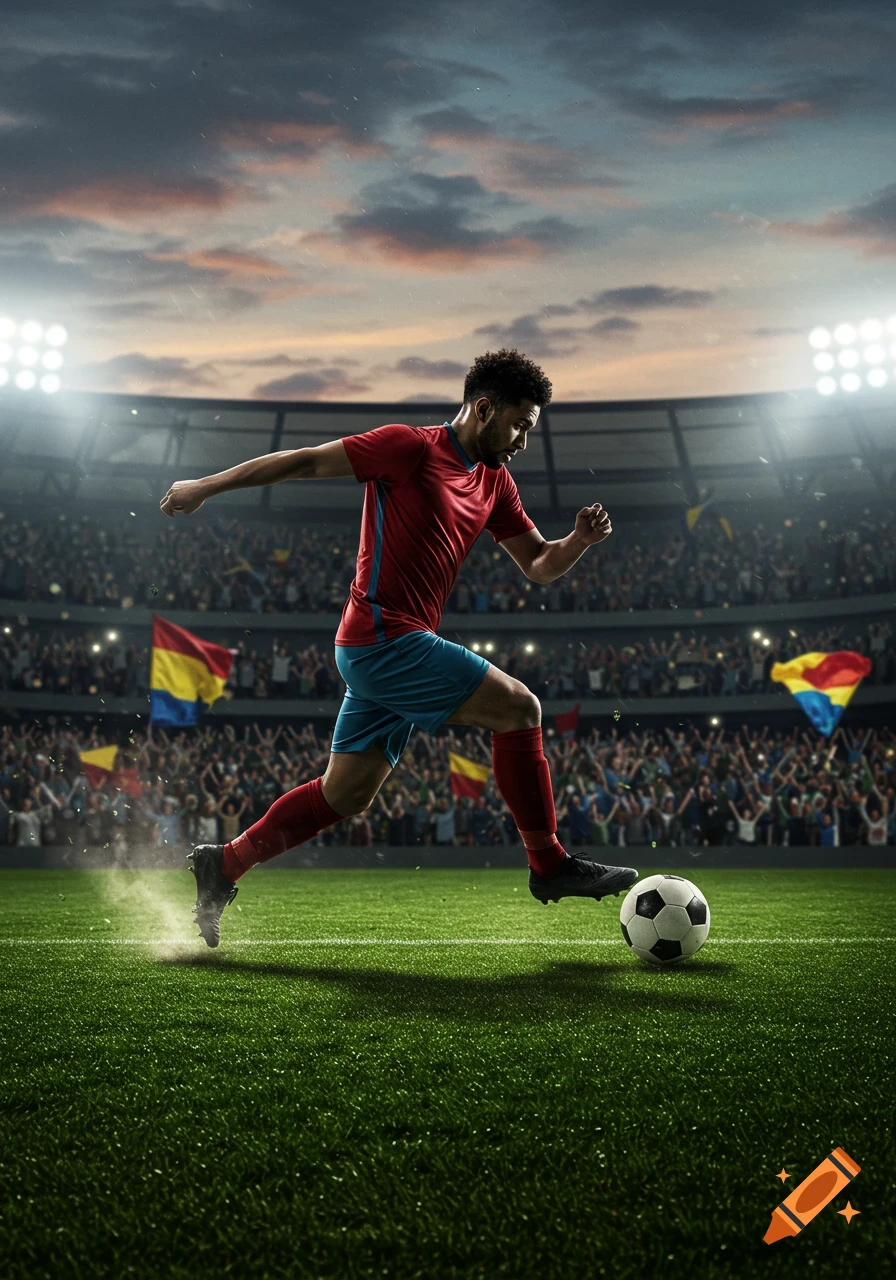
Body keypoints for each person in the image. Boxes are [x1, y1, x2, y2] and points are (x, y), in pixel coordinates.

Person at [161, 348, 637, 946]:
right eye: (519, 424)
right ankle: (549, 865)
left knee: (345, 795)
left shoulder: (495, 481)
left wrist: (579, 541)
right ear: (484, 408)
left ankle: (223, 863)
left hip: (392, 646)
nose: (522, 440)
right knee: (521, 709)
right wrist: (204, 486)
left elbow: (539, 564)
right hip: (383, 637)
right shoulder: (410, 448)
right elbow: (305, 462)